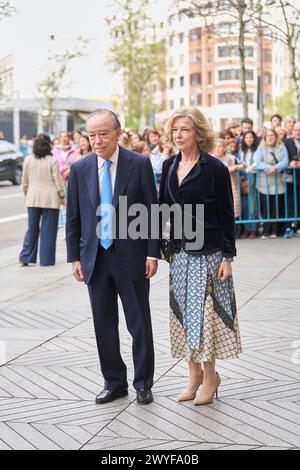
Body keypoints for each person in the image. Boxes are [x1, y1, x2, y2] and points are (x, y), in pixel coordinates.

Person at [66, 109, 160, 406]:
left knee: (139, 323)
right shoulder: (80, 169)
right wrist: (74, 257)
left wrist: (151, 252)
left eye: (103, 133)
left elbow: (152, 213)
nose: (96, 140)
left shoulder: (139, 163)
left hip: (132, 257)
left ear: (118, 132)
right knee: (103, 324)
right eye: (91, 135)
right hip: (95, 258)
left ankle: (143, 383)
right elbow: (73, 217)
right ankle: (114, 382)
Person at [159, 108, 241, 406]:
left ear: (199, 134)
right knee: (183, 316)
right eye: (175, 130)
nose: (178, 135)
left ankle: (210, 376)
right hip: (178, 253)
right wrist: (159, 243)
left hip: (209, 253)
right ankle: (192, 376)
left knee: (206, 317)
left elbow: (226, 215)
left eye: (185, 130)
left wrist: (228, 257)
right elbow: (162, 208)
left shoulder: (214, 168)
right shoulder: (169, 165)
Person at [19, 134, 65, 266]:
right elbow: (58, 181)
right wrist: (62, 197)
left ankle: (26, 256)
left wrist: (26, 195)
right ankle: (46, 259)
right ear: (49, 145)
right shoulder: (52, 160)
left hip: (32, 198)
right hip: (51, 199)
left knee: (32, 228)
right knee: (48, 230)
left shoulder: (28, 159)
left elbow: (25, 181)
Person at [256, 129, 289, 239]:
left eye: (272, 135)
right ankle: (266, 231)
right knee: (266, 208)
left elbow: (285, 162)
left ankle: (275, 231)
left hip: (278, 181)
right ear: (264, 137)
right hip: (264, 182)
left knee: (276, 207)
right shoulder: (261, 148)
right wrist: (268, 167)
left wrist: (275, 167)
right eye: (267, 136)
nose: (269, 137)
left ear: (276, 137)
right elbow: (258, 162)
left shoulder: (282, 147)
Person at [239, 131, 259, 238]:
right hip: (244, 180)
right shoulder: (242, 151)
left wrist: (252, 167)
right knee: (245, 205)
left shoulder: (258, 150)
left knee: (254, 204)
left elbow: (258, 162)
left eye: (251, 137)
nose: (249, 139)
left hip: (255, 180)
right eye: (246, 137)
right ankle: (246, 229)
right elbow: (240, 163)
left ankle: (254, 229)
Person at [284, 122, 300, 236]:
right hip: (291, 178)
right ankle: (289, 226)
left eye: (299, 130)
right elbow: (284, 157)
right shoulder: (287, 142)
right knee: (290, 202)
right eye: (295, 130)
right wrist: (290, 162)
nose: (297, 132)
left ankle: (298, 227)